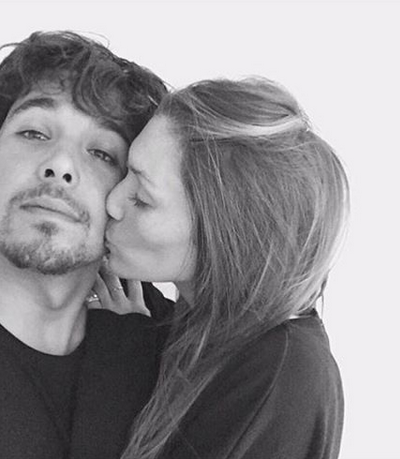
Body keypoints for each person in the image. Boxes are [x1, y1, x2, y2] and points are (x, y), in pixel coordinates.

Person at [0, 31, 170, 459]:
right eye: (34, 133)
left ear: (131, 196)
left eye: (102, 153)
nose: (60, 166)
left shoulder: (179, 351)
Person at [98, 77, 349, 459]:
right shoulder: (184, 327)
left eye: (142, 199)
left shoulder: (280, 374)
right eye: (124, 173)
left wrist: (121, 360)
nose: (113, 202)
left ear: (223, 229)